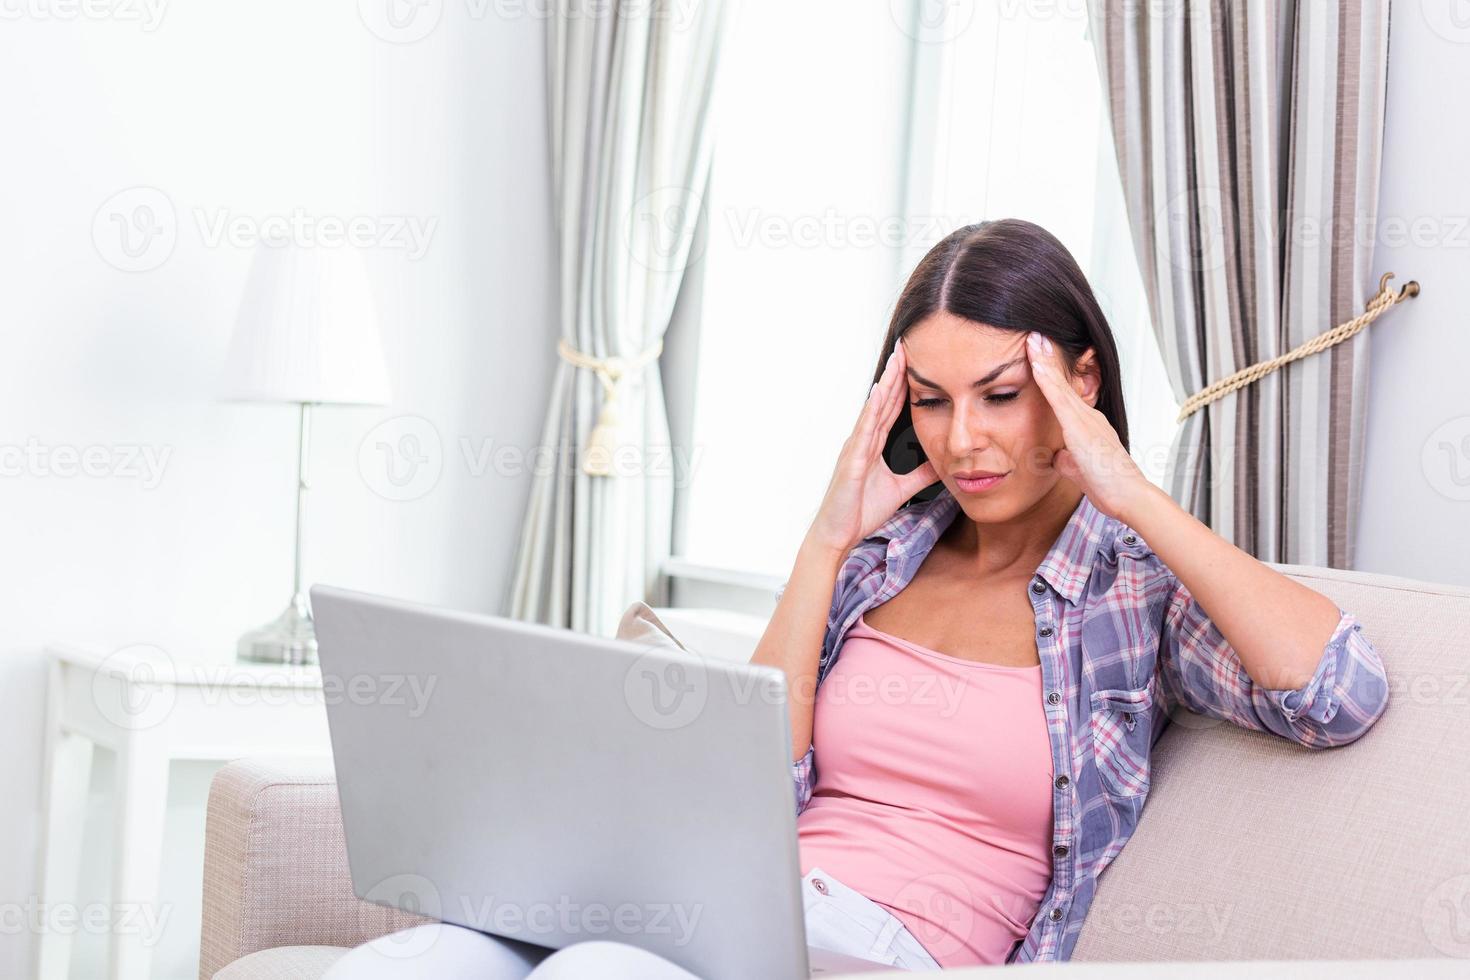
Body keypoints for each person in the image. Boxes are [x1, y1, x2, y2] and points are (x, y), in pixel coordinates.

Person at [324, 219, 1391, 977]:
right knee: (419, 955)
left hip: (902, 945)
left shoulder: (1131, 588)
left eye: (1002, 396)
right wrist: (828, 536)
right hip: (759, 914)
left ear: (1082, 384)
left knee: (599, 966)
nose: (960, 436)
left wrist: (1131, 492)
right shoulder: (887, 558)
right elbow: (748, 784)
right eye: (929, 400)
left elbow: (1337, 691)